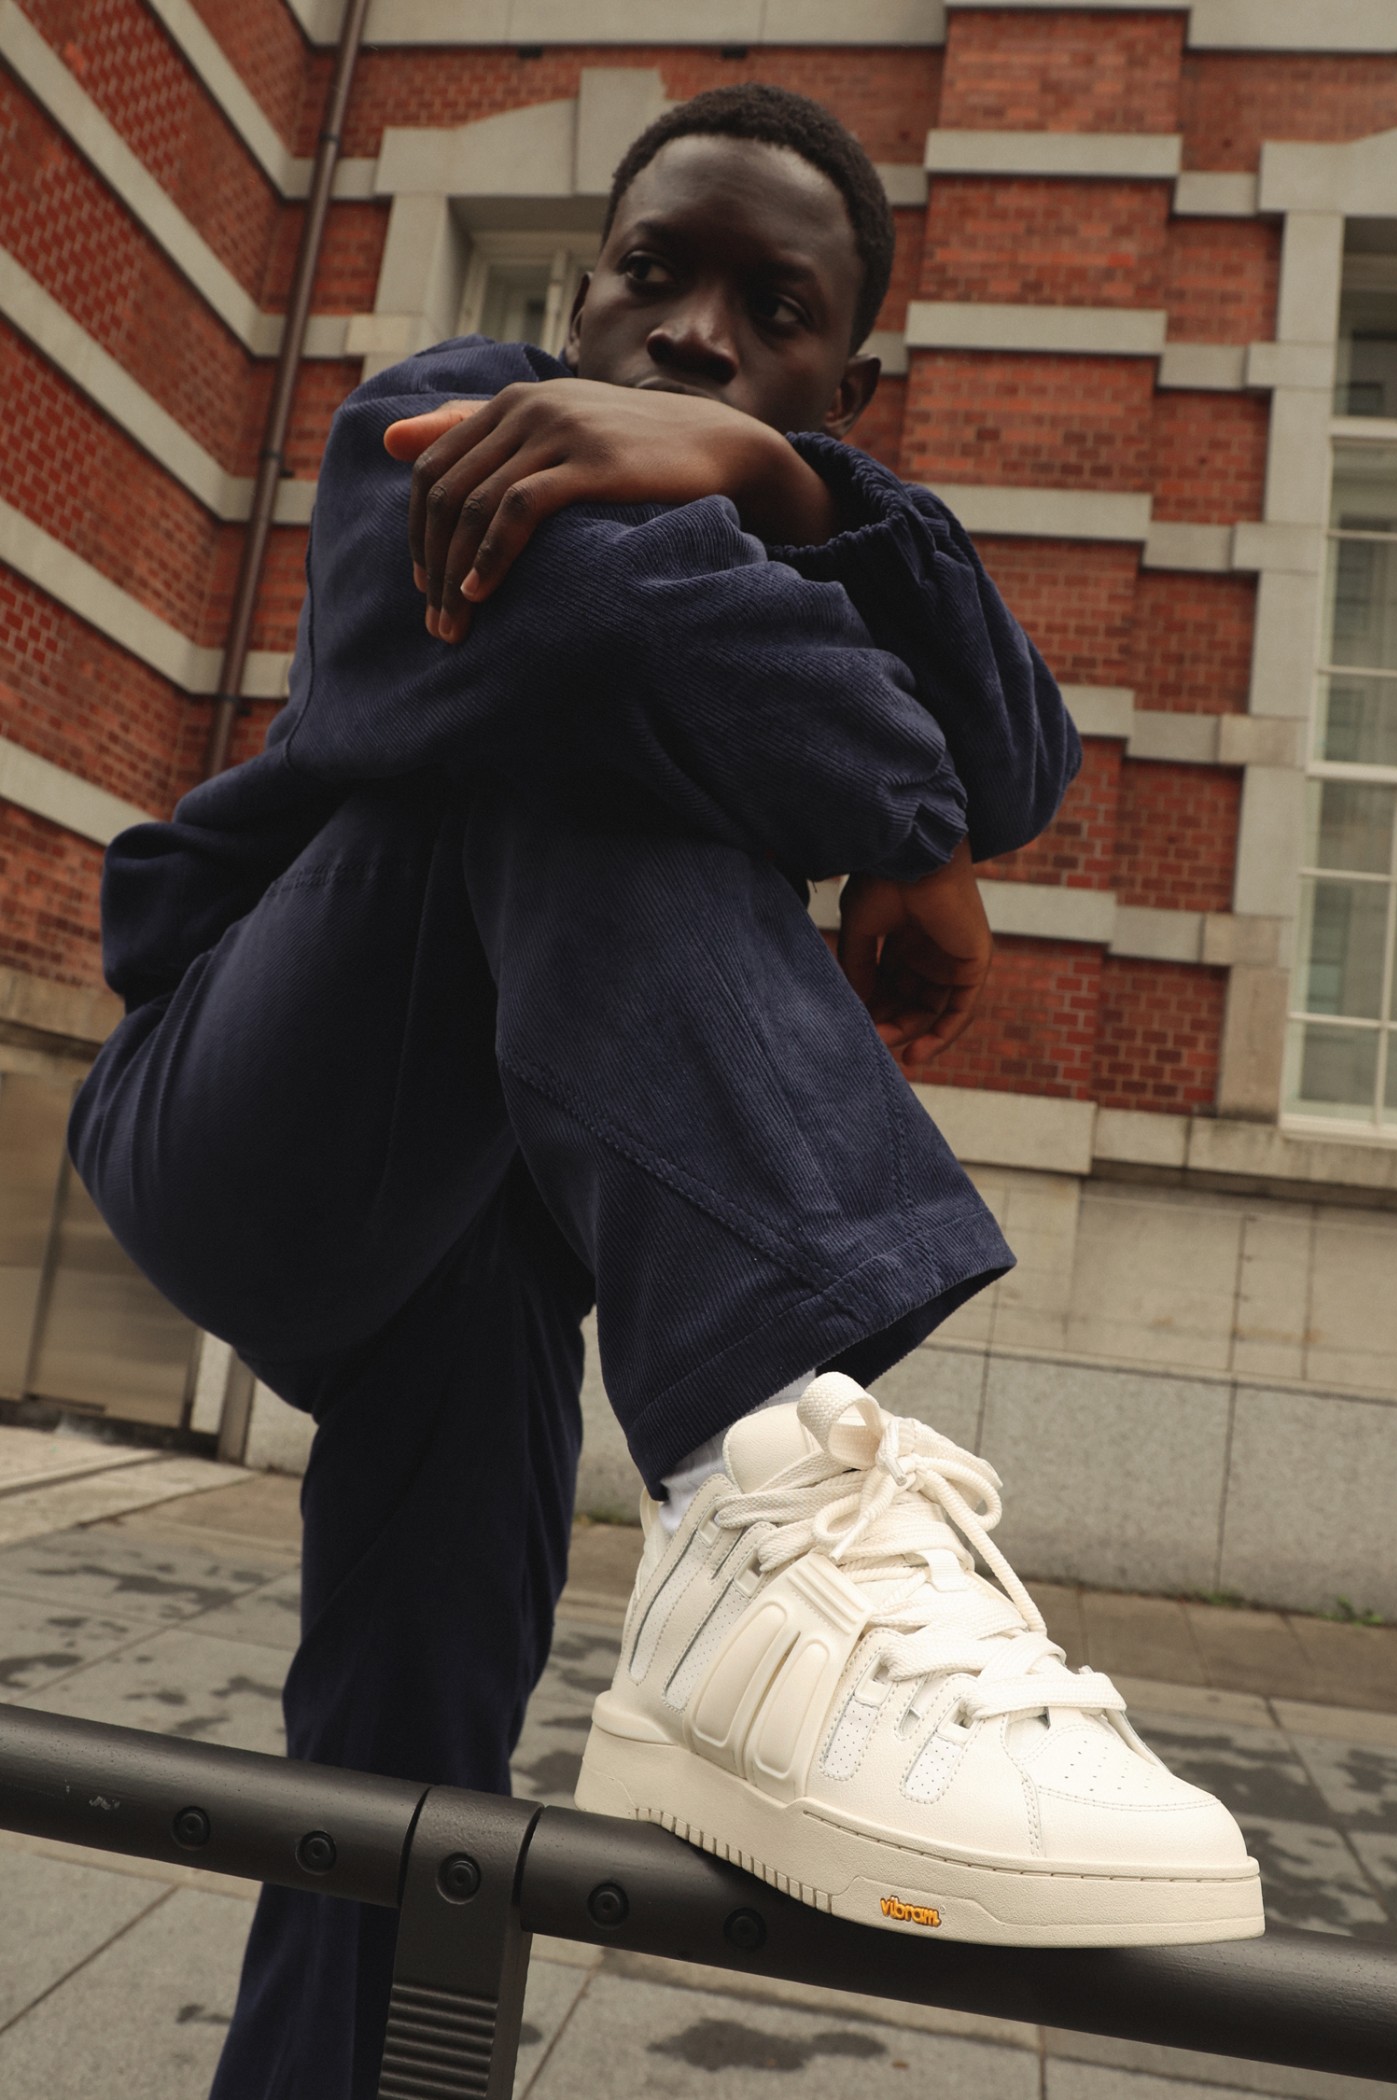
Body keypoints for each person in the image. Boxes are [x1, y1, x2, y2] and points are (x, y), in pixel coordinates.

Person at [69, 83, 1260, 2100]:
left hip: (489, 1250)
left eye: (770, 316)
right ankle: (772, 1503)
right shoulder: (440, 430)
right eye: (651, 275)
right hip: (246, 1107)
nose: (695, 331)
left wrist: (773, 485)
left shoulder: (807, 511)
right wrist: (906, 828)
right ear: (581, 298)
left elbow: (1023, 758)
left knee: (410, 1772)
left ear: (843, 388)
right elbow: (615, 636)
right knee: (561, 733)